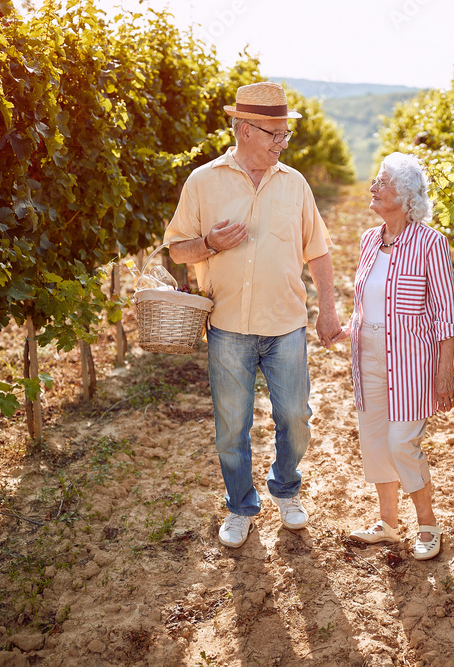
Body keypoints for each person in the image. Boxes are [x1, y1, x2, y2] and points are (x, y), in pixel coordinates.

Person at [164, 82, 342, 548]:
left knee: (295, 417)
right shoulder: (203, 182)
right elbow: (177, 249)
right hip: (227, 328)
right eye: (274, 133)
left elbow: (318, 251)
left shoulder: (295, 184)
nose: (282, 142)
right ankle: (240, 505)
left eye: (285, 134)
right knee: (231, 427)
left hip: (285, 324)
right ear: (244, 130)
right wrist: (209, 245)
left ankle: (285, 487)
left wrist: (328, 307)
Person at [332, 152, 454, 561]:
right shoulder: (370, 240)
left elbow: (446, 316)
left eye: (381, 182)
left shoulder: (430, 244)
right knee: (374, 441)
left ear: (404, 196)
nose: (372, 187)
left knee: (401, 442)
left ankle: (427, 525)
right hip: (367, 356)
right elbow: (367, 306)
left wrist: (445, 371)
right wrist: (345, 330)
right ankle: (388, 525)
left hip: (410, 363)